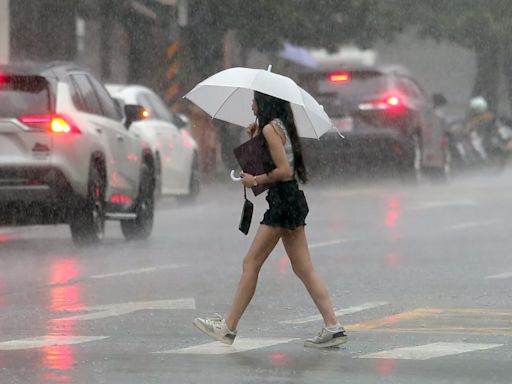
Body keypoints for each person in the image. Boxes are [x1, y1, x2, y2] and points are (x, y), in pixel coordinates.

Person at [193, 91, 348, 349]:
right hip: (290, 200)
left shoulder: (270, 128)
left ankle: (228, 326)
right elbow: (277, 161)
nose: (250, 104)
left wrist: (255, 180)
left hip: (283, 203)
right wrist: (254, 136)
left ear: (264, 102)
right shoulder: (278, 125)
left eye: (254, 99)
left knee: (250, 263)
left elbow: (283, 171)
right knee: (303, 269)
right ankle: (333, 326)